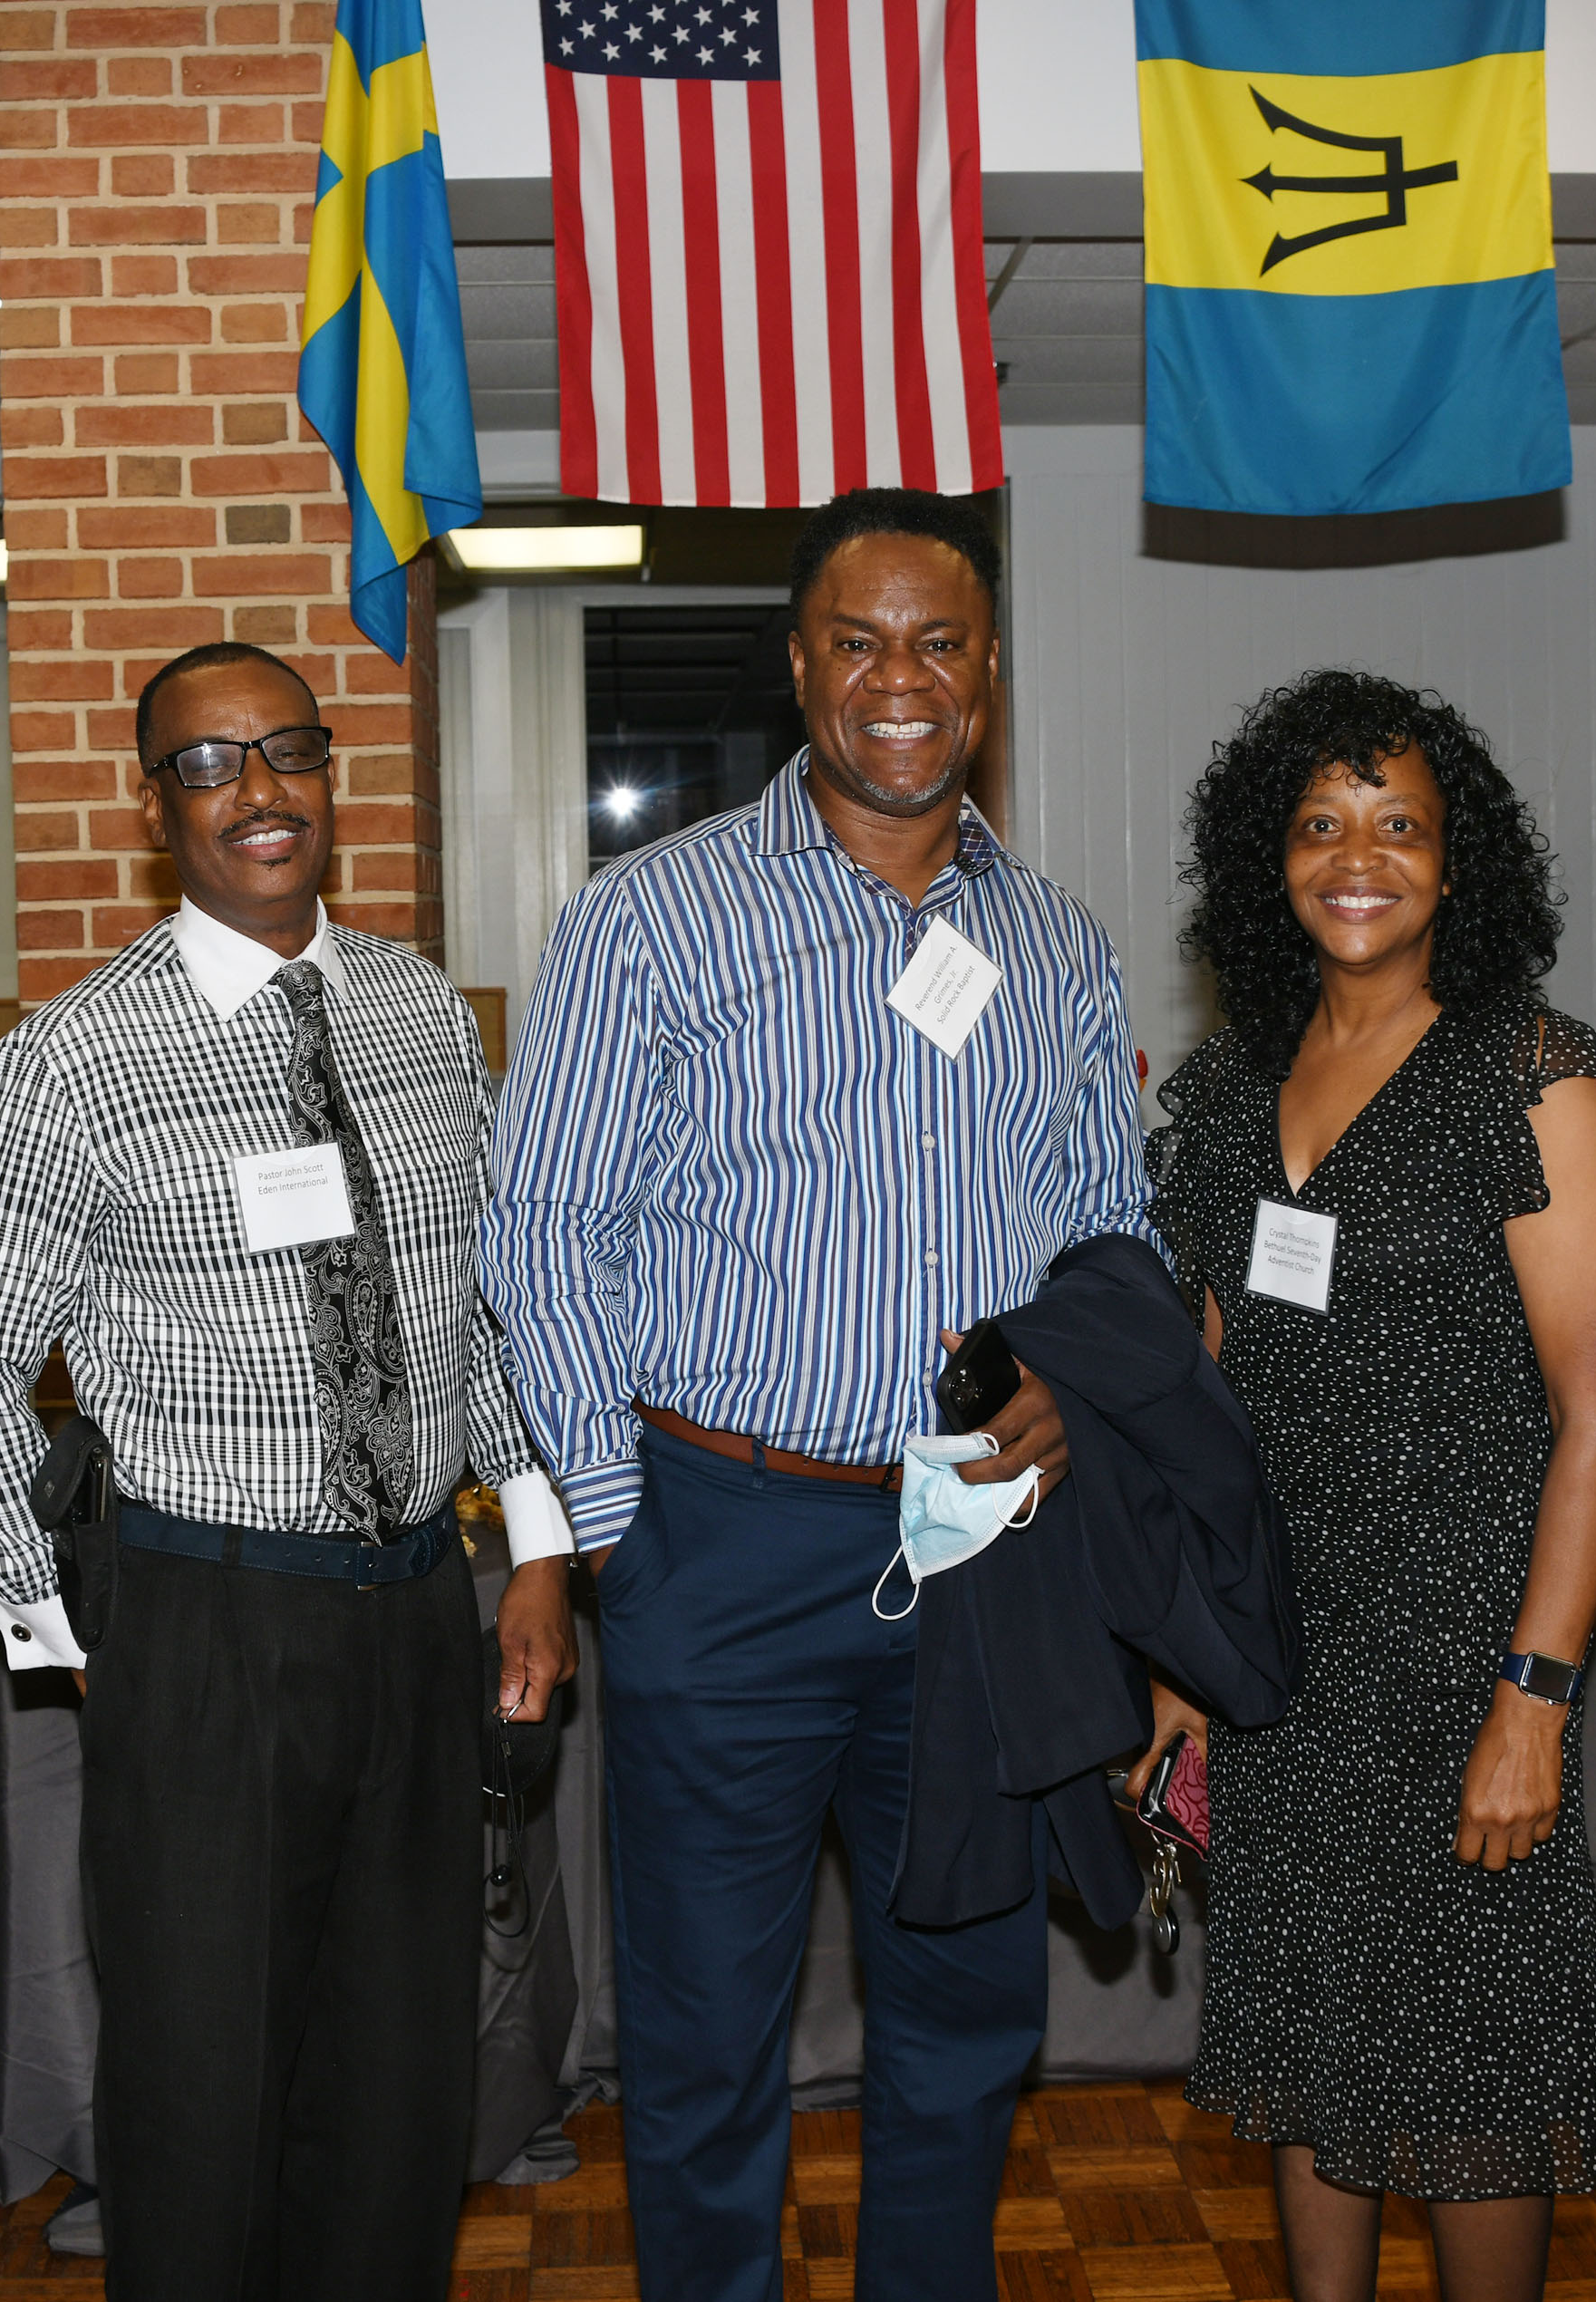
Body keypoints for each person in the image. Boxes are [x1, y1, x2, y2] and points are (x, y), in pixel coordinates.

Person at [478, 488, 1153, 2302]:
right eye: (858, 641)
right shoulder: (649, 922)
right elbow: (546, 1236)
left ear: (990, 675)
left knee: (965, 2013)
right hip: (728, 1543)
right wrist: (626, 1538)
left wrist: (1080, 1395)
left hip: (986, 1556)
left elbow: (1113, 1242)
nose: (899, 680)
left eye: (939, 643)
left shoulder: (1063, 950)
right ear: (799, 666)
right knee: (704, 2045)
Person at [0, 640, 576, 2300]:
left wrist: (541, 1547)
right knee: (202, 2090)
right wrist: (60, 1632)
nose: (260, 793)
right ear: (157, 807)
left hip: (421, 1608)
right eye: (210, 765)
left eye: (288, 752)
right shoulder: (75, 1056)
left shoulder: (424, 1015)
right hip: (205, 1627)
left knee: (403, 2079)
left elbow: (472, 1321)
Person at [1138, 671, 1596, 2301]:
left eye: (1401, 826)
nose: (1359, 858)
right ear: (1265, 858)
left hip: (1464, 1665)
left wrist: (1535, 1698)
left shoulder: (1532, 1081)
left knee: (1478, 2074)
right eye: (1320, 826)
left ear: (1458, 861)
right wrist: (1180, 1667)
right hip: (1286, 1669)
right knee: (1308, 2048)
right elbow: (1200, 1410)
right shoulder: (1225, 1097)